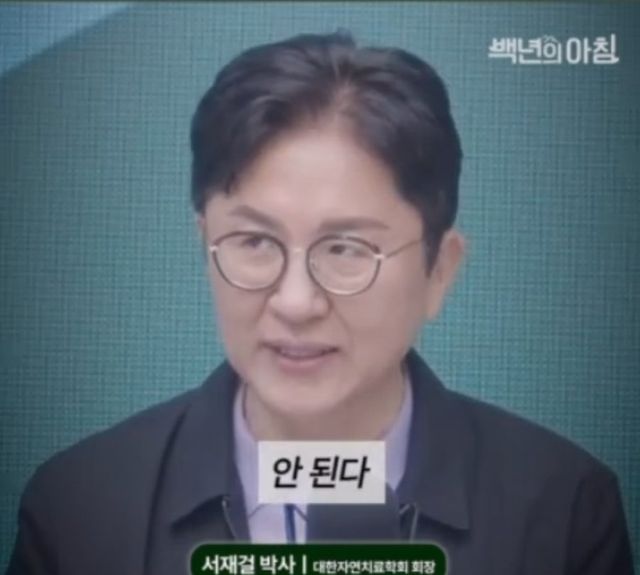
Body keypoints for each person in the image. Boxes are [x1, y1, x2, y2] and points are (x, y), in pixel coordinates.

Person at [6, 31, 634, 575]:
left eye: (346, 249)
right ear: (205, 245)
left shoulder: (563, 510)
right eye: (254, 243)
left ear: (439, 270)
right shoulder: (78, 508)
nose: (296, 302)